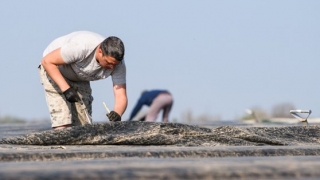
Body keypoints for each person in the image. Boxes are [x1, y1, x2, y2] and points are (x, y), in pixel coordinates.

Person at [38, 31, 127, 130]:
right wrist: (66, 89)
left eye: (114, 64)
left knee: (84, 128)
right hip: (55, 69)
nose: (111, 67)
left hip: (80, 76)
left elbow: (121, 95)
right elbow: (47, 61)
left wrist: (117, 113)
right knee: (63, 124)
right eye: (108, 63)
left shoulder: (118, 65)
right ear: (100, 51)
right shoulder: (81, 47)